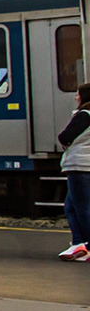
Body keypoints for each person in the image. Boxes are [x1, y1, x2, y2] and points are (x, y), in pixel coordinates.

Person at [57, 83, 90, 260]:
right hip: (86, 165)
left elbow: (65, 137)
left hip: (79, 165)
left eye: (78, 94)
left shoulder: (84, 115)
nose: (76, 97)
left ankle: (87, 244)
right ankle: (79, 243)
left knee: (82, 207)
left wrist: (66, 143)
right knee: (70, 206)